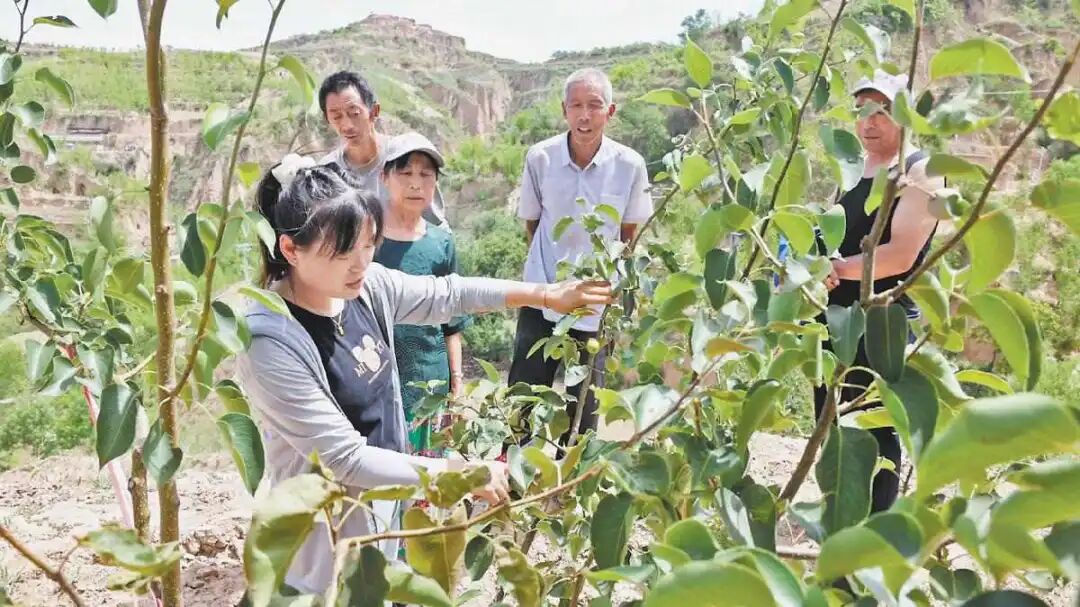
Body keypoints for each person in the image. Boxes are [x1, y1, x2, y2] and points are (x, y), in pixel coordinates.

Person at [236, 158, 613, 594]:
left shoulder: (364, 288)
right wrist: (458, 472)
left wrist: (545, 295)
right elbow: (343, 458)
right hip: (320, 540)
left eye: (368, 245)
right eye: (342, 252)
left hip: (379, 516)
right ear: (289, 249)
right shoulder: (270, 338)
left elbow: (447, 295)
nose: (360, 263)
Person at [818, 70, 945, 513]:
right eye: (862, 111)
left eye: (881, 111)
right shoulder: (856, 166)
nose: (869, 121)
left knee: (876, 432)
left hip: (880, 324)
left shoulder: (920, 171)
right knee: (832, 430)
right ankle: (837, 528)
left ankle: (875, 537)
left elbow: (901, 255)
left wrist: (837, 269)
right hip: (834, 321)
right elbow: (838, 233)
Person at [508, 68, 653, 445]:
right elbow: (533, 223)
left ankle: (571, 476)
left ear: (611, 112)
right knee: (524, 393)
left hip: (596, 299)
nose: (584, 115)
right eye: (576, 106)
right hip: (542, 292)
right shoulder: (540, 157)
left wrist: (615, 289)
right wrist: (546, 277)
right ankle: (512, 472)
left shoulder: (630, 165)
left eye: (594, 105)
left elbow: (628, 234)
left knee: (585, 404)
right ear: (564, 110)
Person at [373, 132, 467, 455]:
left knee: (431, 469)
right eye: (405, 173)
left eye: (426, 174)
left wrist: (457, 382)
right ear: (384, 177)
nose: (416, 184)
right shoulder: (366, 239)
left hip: (430, 380)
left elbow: (452, 323)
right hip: (377, 379)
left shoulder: (441, 242)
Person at [317, 70, 447, 227]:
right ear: (327, 119)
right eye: (336, 117)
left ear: (374, 111)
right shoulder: (326, 173)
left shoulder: (406, 156)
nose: (347, 125)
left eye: (354, 113)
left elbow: (437, 228)